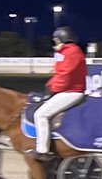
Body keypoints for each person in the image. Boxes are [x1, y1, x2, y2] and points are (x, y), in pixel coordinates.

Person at [31, 27, 87, 160]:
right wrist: (49, 86)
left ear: (61, 39)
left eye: (56, 40)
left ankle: (42, 150)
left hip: (71, 92)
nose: (55, 43)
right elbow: (59, 74)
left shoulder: (71, 52)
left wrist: (52, 89)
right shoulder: (66, 52)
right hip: (67, 90)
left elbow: (64, 75)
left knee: (40, 115)